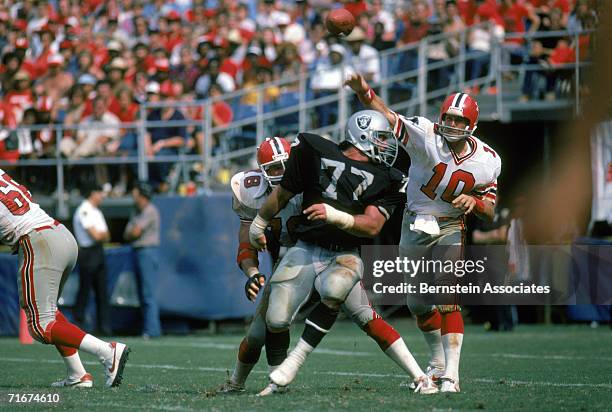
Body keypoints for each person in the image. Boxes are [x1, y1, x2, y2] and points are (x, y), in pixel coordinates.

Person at [224, 136, 435, 395]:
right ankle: (238, 382)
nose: (282, 173)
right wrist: (252, 272)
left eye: (285, 166)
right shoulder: (250, 190)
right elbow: (246, 243)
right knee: (261, 331)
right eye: (274, 169)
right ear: (263, 170)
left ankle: (419, 376)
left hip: (333, 252)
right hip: (293, 255)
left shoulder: (317, 174)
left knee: (365, 315)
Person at [345, 73, 502, 393]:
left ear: (471, 125)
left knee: (447, 298)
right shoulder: (425, 135)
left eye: (459, 121)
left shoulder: (488, 161)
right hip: (415, 222)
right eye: (448, 118)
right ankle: (437, 360)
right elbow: (385, 113)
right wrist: (364, 91)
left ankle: (451, 376)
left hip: (450, 225)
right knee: (416, 303)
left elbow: (490, 208)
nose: (452, 125)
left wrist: (473, 202)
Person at [0, 169, 129, 388]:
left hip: (37, 239)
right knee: (50, 313)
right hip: (60, 234)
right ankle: (77, 374)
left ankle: (107, 352)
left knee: (41, 326)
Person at [123, 182, 162, 338]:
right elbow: (127, 233)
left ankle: (152, 330)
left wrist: (132, 232)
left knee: (148, 293)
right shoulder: (136, 211)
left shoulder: (150, 210)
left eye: (136, 193)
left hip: (148, 251)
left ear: (142, 195)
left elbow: (135, 232)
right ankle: (147, 328)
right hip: (138, 251)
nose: (133, 195)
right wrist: (132, 233)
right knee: (141, 293)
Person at [73, 184, 112, 336]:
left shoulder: (96, 211)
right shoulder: (84, 210)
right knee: (84, 290)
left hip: (98, 252)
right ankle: (78, 325)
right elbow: (96, 235)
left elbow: (107, 235)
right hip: (88, 253)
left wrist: (101, 235)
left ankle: (104, 327)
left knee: (102, 292)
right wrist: (101, 235)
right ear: (93, 193)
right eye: (100, 192)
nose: (102, 196)